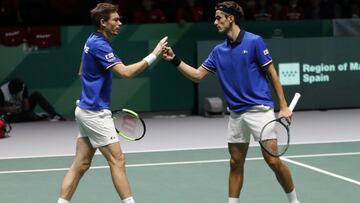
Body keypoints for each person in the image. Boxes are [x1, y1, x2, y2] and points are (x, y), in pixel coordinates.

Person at [162, 1, 300, 203]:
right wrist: (175, 60)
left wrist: (284, 106)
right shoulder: (218, 51)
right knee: (235, 163)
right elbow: (198, 75)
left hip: (259, 110)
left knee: (273, 160)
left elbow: (271, 73)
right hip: (236, 114)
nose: (215, 22)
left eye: (218, 17)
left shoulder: (254, 42)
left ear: (230, 18)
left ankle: (294, 201)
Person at [57, 3, 167, 203]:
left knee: (80, 164)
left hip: (84, 109)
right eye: (115, 20)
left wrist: (92, 90)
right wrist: (154, 54)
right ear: (103, 22)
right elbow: (126, 73)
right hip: (95, 113)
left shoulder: (92, 40)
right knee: (118, 160)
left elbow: (81, 71)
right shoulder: (100, 45)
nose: (119, 23)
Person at [0, 78, 65, 122]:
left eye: (16, 92)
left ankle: (54, 114)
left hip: (21, 110)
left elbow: (27, 108)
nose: (15, 94)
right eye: (13, 92)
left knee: (36, 94)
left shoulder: (22, 88)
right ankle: (36, 116)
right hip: (9, 113)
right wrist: (9, 109)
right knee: (14, 118)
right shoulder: (2, 91)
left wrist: (23, 105)